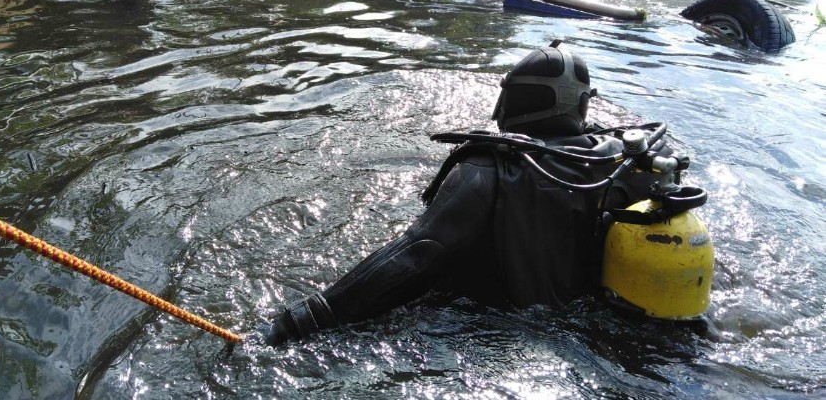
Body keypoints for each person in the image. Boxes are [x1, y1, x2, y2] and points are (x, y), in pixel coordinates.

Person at [265, 41, 714, 345]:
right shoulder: (631, 163)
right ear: (582, 102)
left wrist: (303, 320)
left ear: (516, 101)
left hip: (503, 335)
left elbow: (418, 253)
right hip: (614, 331)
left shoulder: (487, 168)